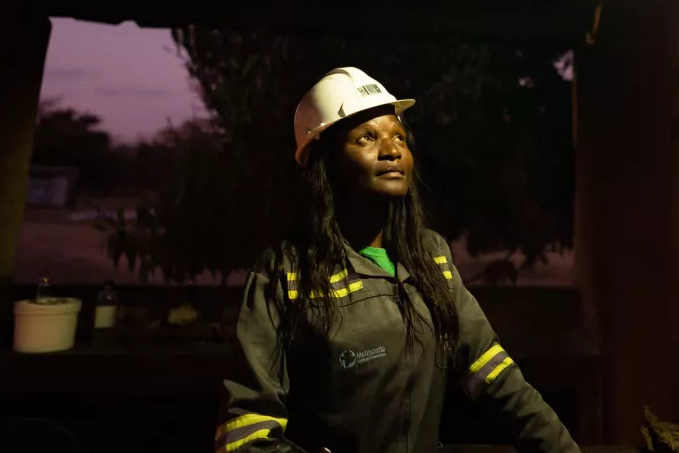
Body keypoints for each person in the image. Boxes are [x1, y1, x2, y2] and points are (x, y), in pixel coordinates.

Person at [215, 67, 580, 453]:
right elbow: (246, 435)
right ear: (326, 163)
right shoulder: (286, 273)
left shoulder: (429, 258)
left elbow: (494, 375)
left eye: (398, 137)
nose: (392, 150)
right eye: (367, 138)